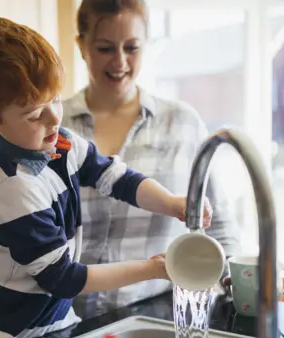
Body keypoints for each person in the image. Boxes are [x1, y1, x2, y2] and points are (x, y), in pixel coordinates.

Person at [0, 13, 213, 338]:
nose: (54, 118)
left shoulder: (59, 143)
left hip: (56, 325)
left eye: (55, 99)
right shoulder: (13, 189)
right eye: (34, 113)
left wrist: (173, 203)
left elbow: (118, 178)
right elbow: (64, 279)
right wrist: (153, 269)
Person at [62, 0, 241, 319]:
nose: (120, 62)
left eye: (132, 47)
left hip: (159, 313)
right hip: (67, 318)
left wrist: (234, 288)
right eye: (104, 48)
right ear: (81, 45)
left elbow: (219, 226)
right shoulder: (55, 127)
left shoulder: (182, 123)